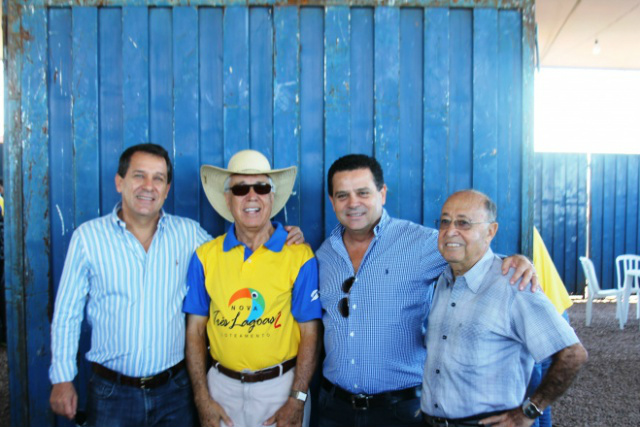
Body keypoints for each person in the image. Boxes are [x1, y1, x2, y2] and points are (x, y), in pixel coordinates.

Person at [49, 144, 303, 427]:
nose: (149, 186)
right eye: (139, 176)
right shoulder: (88, 238)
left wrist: (281, 235)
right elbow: (67, 313)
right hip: (111, 392)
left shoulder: (189, 235)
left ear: (167, 189)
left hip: (173, 392)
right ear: (119, 182)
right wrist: (61, 377)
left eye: (158, 178)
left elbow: (241, 245)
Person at [315, 154, 538, 427]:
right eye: (342, 195)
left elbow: (475, 256)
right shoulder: (322, 254)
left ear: (382, 194)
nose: (353, 203)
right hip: (333, 409)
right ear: (331, 201)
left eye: (363, 192)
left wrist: (516, 260)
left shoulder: (420, 243)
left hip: (402, 411)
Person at [421, 190, 588, 427]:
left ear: (491, 231)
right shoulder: (442, 282)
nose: (450, 231)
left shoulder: (514, 286)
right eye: (445, 221)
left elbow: (573, 354)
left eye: (463, 223)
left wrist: (530, 411)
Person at [183, 150, 322, 427]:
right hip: (221, 388)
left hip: (281, 388)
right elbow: (195, 331)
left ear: (272, 197)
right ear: (227, 198)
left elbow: (310, 333)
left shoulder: (299, 255)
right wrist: (201, 397)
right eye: (240, 188)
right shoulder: (204, 256)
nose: (251, 196)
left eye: (261, 187)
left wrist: (297, 398)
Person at [526, 226, 574, 427]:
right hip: (554, 307)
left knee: (529, 403)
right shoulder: (524, 221)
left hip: (538, 318)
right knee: (539, 400)